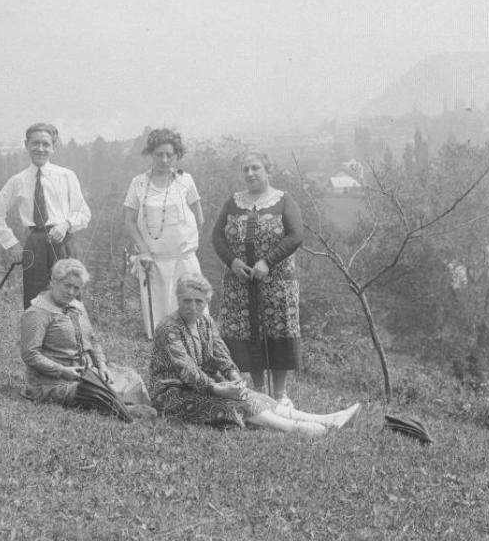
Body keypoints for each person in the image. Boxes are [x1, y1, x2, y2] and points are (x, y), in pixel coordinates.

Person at [148, 273, 360, 435]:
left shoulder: (206, 322)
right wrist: (217, 389)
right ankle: (301, 429)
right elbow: (186, 369)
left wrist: (234, 378)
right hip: (172, 395)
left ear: (206, 303)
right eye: (187, 301)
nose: (193, 307)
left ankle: (327, 419)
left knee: (253, 395)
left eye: (199, 302)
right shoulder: (169, 328)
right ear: (178, 299)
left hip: (204, 387)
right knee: (233, 403)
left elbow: (220, 353)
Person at [212, 149, 303, 407]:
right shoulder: (233, 202)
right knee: (247, 333)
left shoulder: (284, 201)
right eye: (246, 169)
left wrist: (267, 261)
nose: (250, 174)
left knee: (278, 331)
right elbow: (217, 236)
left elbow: (296, 235)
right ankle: (259, 389)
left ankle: (280, 394)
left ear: (268, 170)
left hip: (277, 283)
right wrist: (233, 261)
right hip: (239, 283)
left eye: (256, 168)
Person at [20, 259, 155, 419]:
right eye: (67, 285)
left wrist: (102, 366)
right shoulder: (37, 312)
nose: (71, 292)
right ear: (53, 282)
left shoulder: (77, 306)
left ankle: (121, 403)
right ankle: (123, 408)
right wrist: (61, 370)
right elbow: (30, 354)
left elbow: (93, 339)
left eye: (76, 288)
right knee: (93, 391)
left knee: (131, 377)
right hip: (51, 382)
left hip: (85, 373)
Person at [0, 123, 91, 309]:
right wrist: (12, 244)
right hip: (34, 245)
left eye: (46, 144)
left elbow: (83, 213)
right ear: (26, 144)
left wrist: (66, 224)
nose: (40, 149)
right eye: (35, 143)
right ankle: (37, 338)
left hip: (64, 244)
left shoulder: (67, 176)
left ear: (54, 147)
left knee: (69, 297)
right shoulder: (17, 181)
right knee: (35, 301)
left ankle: (71, 336)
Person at [123, 128, 205, 339]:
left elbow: (199, 218)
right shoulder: (138, 183)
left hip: (184, 261)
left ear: (176, 155)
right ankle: (165, 363)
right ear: (151, 154)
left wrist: (186, 246)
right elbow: (130, 222)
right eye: (159, 154)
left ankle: (198, 360)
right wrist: (144, 251)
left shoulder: (185, 180)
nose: (165, 159)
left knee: (193, 315)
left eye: (170, 154)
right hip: (154, 262)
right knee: (161, 323)